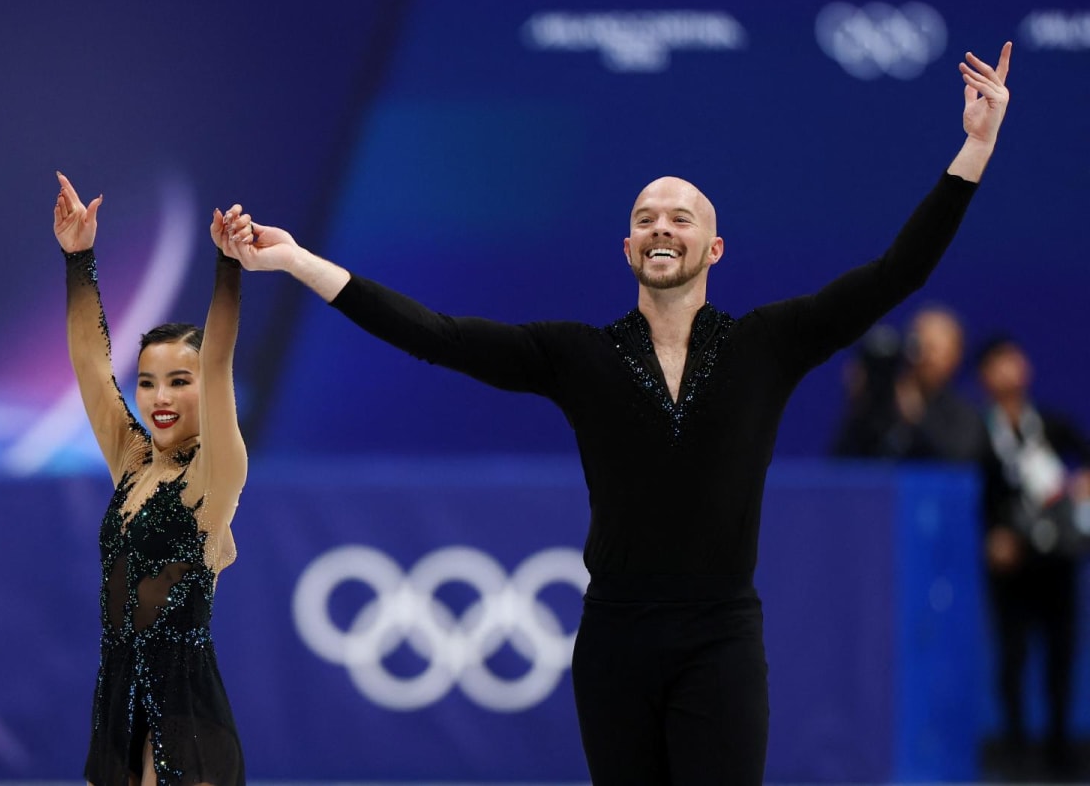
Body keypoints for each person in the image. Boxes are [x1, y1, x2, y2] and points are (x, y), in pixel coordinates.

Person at [228, 43, 1011, 785]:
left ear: (715, 250)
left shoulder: (770, 343)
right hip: (615, 638)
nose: (661, 226)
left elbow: (897, 272)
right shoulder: (576, 355)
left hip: (722, 635)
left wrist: (973, 151)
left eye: (680, 218)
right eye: (646, 217)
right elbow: (434, 335)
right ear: (628, 247)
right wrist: (296, 260)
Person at [54, 172, 255, 785]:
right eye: (147, 381)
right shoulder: (134, 464)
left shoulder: (212, 480)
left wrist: (228, 269)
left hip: (186, 719)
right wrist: (79, 259)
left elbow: (218, 362)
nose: (159, 397)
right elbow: (91, 366)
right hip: (118, 707)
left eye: (178, 381)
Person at [977, 336, 1090, 779]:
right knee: (1013, 656)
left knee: (1061, 654)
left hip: (1056, 560)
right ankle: (1015, 749)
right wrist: (993, 536)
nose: (1010, 370)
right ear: (984, 376)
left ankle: (1062, 750)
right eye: (998, 363)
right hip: (1010, 566)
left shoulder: (1050, 426)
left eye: (1015, 360)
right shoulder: (978, 433)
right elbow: (972, 494)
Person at [832, 306, 984, 461]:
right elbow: (842, 464)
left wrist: (917, 417)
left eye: (934, 349)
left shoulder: (963, 415)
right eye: (921, 346)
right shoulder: (884, 402)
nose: (926, 358)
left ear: (956, 356)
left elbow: (959, 460)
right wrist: (861, 402)